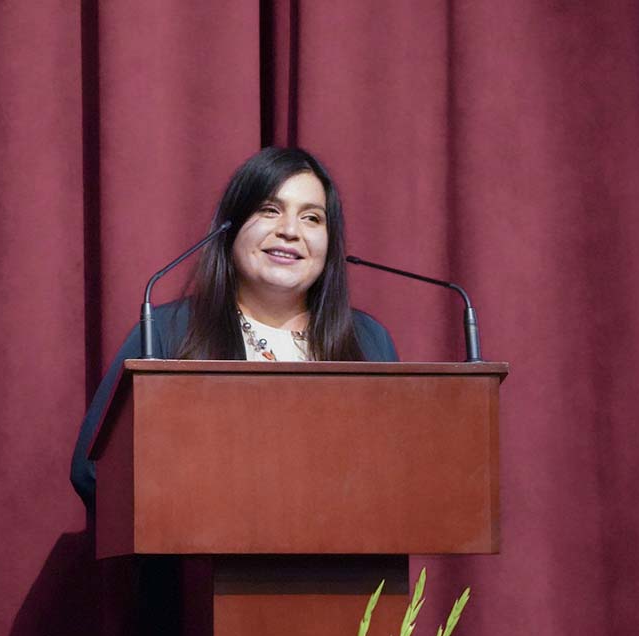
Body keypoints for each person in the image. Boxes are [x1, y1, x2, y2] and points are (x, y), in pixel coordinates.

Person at [71, 146, 398, 505]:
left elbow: (401, 467)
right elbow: (94, 469)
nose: (290, 231)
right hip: (202, 557)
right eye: (270, 210)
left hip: (346, 558)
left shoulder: (366, 340)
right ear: (230, 228)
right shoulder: (170, 331)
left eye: (312, 218)